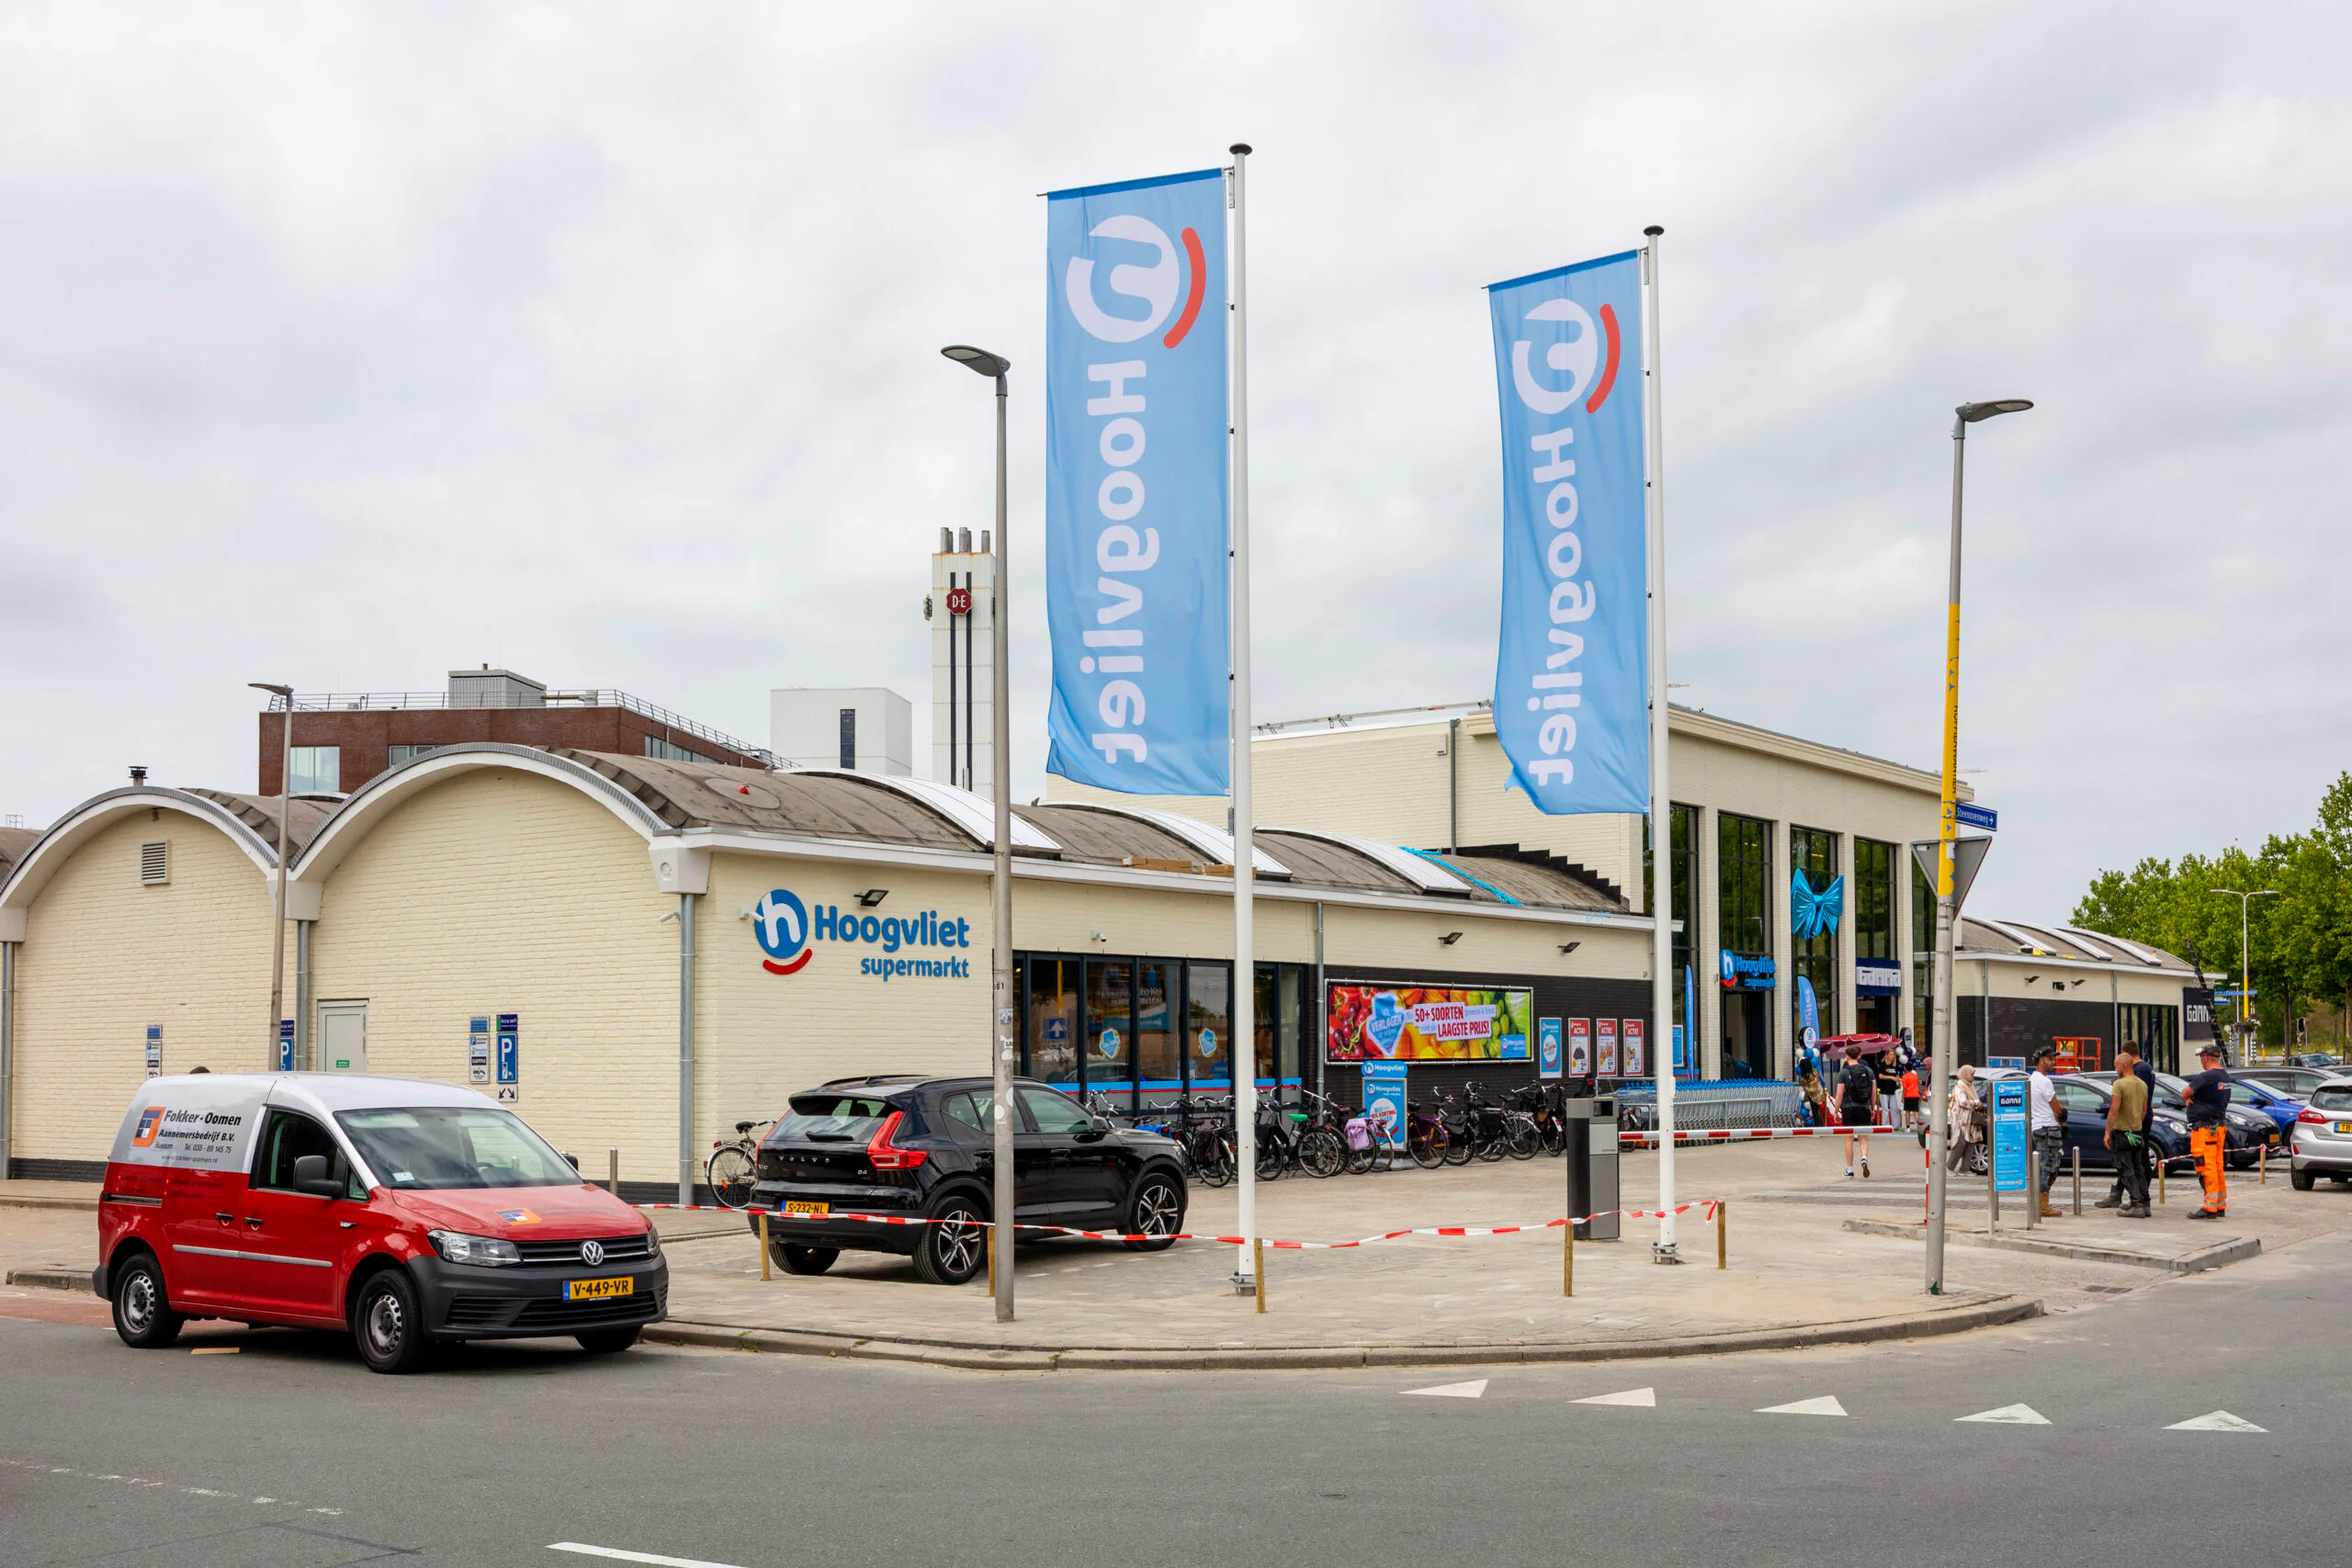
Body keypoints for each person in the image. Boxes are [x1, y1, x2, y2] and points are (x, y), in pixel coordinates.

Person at [2096, 1041, 2156, 1209]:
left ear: (2123, 1064)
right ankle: (2143, 1201)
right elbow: (2144, 1108)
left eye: (2116, 1066)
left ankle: (2136, 1202)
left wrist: (2108, 1131)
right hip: (2138, 1127)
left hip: (2124, 1129)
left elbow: (2115, 1109)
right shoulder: (2142, 1082)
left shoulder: (2123, 1082)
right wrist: (2137, 1122)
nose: (2116, 1069)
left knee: (2126, 1165)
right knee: (2137, 1164)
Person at [2183, 1043, 2233, 1220]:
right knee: (2218, 1166)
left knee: (2206, 1166)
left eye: (2201, 1058)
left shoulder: (2206, 1076)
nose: (2201, 1061)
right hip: (2218, 1127)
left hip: (2205, 1129)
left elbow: (2185, 1093)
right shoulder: (2224, 1076)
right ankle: (2219, 1204)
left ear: (2205, 1058)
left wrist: (2190, 1098)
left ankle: (2209, 1207)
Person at [2028, 1045, 2064, 1218]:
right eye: (2050, 1059)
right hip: (2048, 1128)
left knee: (2044, 1164)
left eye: (2054, 1059)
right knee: (2048, 1166)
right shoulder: (2044, 1081)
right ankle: (2042, 1205)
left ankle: (2040, 1203)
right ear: (2040, 1061)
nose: (2053, 1062)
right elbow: (2056, 1106)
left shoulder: (2031, 1079)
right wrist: (2064, 1123)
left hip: (2038, 1127)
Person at [1838, 1043, 1877, 1177]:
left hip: (1848, 1108)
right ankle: (1864, 1158)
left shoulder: (1844, 1072)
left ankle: (1849, 1169)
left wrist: (1836, 1110)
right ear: (1859, 1056)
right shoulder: (1868, 1071)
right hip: (1864, 1107)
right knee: (1863, 1138)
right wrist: (1872, 1107)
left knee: (1849, 1139)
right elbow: (1873, 1092)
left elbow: (1839, 1094)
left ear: (1847, 1056)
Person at [1945, 1063, 1982, 1173]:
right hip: (1961, 1121)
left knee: (1970, 1144)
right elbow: (1963, 1102)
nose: (1973, 1076)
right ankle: (1949, 1168)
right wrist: (1976, 1103)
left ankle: (1965, 1169)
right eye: (1971, 1074)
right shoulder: (1959, 1087)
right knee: (1960, 1144)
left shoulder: (1970, 1086)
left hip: (1971, 1121)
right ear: (1966, 1074)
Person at [1875, 1049, 1902, 1134]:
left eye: (1893, 1055)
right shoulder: (1882, 1065)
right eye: (1890, 1054)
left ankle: (1896, 1125)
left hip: (1894, 1089)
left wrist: (1899, 1079)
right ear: (1886, 1055)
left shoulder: (1894, 1066)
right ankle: (1885, 1125)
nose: (1892, 1056)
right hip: (1883, 1089)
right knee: (1885, 1109)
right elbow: (1880, 1076)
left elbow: (1896, 1076)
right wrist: (1890, 1077)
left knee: (1895, 1108)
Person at [1900, 1063, 1923, 1132]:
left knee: (1907, 1111)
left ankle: (1908, 1128)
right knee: (1916, 1111)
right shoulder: (1915, 1076)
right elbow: (1916, 1084)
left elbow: (1904, 1088)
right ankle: (1920, 1127)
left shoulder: (1904, 1077)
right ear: (1912, 1068)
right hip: (1915, 1095)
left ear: (1905, 1068)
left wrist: (1902, 1097)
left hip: (1908, 1095)